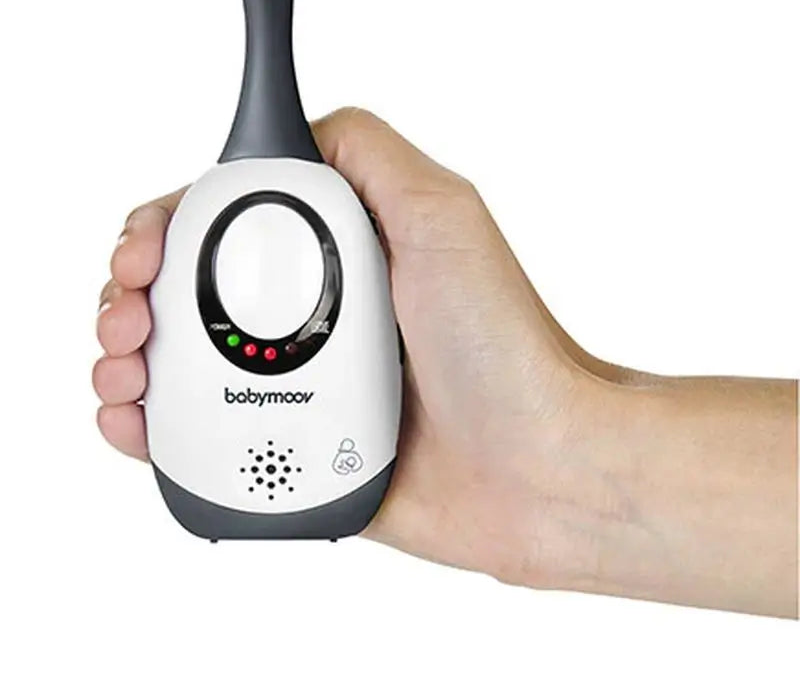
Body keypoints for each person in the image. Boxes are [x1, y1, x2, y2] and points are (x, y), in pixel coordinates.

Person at [93, 108, 798, 618]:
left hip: (329, 473)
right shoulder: (248, 206)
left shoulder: (305, 203)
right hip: (317, 471)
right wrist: (559, 472)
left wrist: (562, 466)